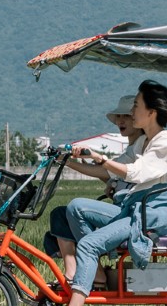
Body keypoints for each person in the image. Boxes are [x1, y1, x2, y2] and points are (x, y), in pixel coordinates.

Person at [38, 80, 167, 306]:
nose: (132, 112)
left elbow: (136, 172)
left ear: (151, 112)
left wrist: (101, 158)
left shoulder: (165, 141)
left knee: (88, 244)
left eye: (136, 106)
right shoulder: (142, 143)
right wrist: (68, 161)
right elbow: (109, 170)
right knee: (76, 207)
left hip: (150, 215)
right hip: (134, 208)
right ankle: (93, 268)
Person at [41, 96, 148, 285]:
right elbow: (109, 175)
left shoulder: (141, 146)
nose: (120, 121)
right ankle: (72, 271)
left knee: (77, 207)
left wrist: (67, 162)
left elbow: (104, 170)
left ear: (138, 119)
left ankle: (95, 270)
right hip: (123, 207)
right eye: (118, 116)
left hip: (131, 212)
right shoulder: (132, 148)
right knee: (59, 214)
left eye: (126, 116)